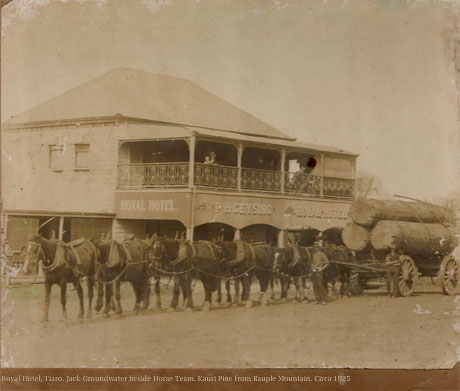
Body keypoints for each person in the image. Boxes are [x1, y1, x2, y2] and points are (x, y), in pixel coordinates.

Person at [310, 240, 330, 305]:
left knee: (320, 285)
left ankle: (324, 299)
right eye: (314, 247)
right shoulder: (313, 254)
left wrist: (321, 268)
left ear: (319, 247)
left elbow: (327, 263)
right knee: (314, 285)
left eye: (317, 247)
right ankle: (317, 299)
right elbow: (312, 262)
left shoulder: (322, 254)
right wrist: (312, 268)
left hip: (319, 271)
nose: (315, 248)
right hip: (313, 270)